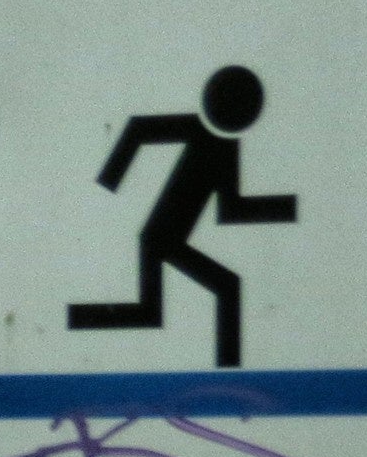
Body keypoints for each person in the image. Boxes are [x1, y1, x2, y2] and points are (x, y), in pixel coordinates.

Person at [66, 64, 296, 368]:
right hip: (162, 238)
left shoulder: (222, 147)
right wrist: (110, 178)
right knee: (214, 291)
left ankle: (227, 368)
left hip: (162, 238)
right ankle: (228, 369)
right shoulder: (201, 133)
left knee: (171, 302)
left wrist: (282, 207)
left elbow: (229, 209)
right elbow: (140, 131)